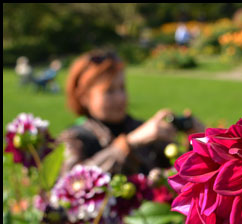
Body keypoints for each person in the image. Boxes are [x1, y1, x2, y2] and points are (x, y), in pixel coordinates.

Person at [59, 49, 204, 175]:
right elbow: (72, 184)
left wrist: (196, 144)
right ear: (83, 97)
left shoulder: (141, 129)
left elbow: (181, 175)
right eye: (109, 91)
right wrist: (128, 143)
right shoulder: (74, 139)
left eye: (122, 88)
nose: (120, 98)